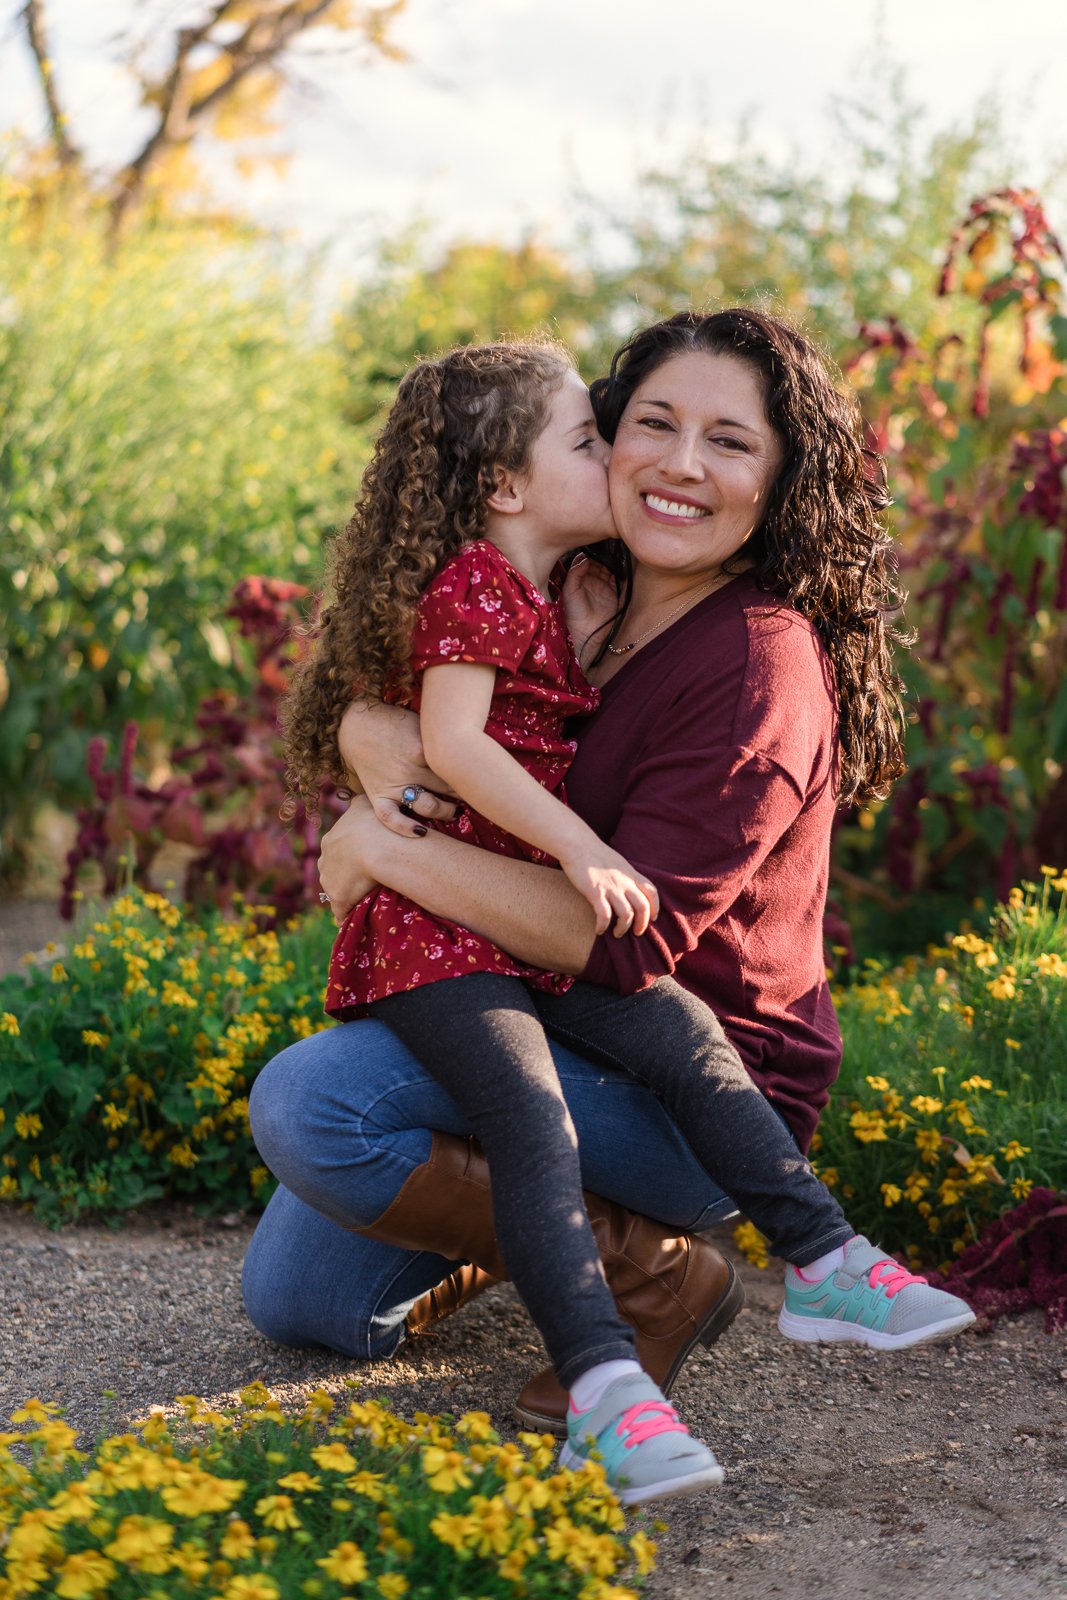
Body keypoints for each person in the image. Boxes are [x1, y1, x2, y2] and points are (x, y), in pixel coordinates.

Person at [244, 309, 974, 1477]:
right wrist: (364, 729)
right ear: (602, 438)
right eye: (646, 426)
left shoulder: (755, 661)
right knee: (301, 1299)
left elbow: (621, 947)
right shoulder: (576, 590)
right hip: (526, 1006)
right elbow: (448, 716)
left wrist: (382, 850)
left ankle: (662, 1263)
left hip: (687, 1084)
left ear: (778, 477)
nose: (682, 464)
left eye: (728, 441)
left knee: (316, 1107)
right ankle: (584, 1229)